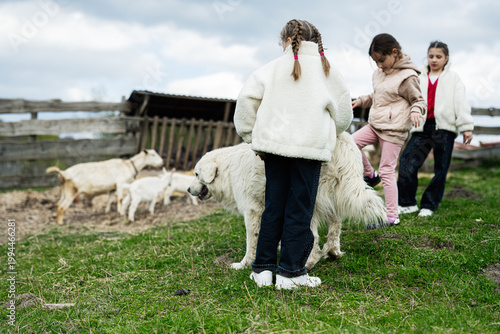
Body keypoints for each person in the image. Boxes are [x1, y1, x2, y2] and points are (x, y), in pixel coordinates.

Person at [233, 19, 353, 289]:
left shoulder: (270, 69)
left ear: (286, 41)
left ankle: (262, 270)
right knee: (300, 209)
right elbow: (344, 115)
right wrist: (329, 134)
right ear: (315, 41)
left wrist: (253, 138)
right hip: (309, 151)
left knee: (274, 206)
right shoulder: (328, 72)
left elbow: (245, 103)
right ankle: (291, 273)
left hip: (273, 150)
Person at [351, 33, 426, 228]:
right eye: (375, 61)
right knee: (350, 143)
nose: (379, 65)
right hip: (376, 124)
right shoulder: (380, 73)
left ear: (395, 53)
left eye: (382, 60)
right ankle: (370, 174)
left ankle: (392, 217)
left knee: (387, 170)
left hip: (394, 129)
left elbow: (418, 100)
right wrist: (361, 101)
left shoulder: (407, 77)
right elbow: (377, 95)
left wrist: (416, 112)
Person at [397, 41, 474, 217]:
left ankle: (429, 205)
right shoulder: (419, 76)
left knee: (441, 169)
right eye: (431, 56)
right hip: (421, 127)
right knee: (407, 162)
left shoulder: (453, 78)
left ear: (446, 58)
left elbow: (461, 104)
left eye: (438, 56)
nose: (434, 59)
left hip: (444, 128)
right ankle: (407, 202)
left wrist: (466, 127)